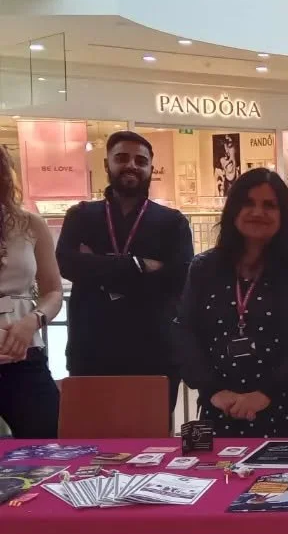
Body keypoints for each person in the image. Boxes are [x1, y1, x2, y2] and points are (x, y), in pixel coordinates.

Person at [175, 169, 288, 438]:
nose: (258, 212)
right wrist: (213, 391)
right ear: (233, 210)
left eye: (269, 205)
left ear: (283, 214)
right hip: (221, 408)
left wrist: (265, 393)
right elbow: (185, 331)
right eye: (248, 203)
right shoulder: (204, 268)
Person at [56, 131, 194, 410]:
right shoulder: (80, 216)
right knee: (92, 433)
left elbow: (178, 278)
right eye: (121, 158)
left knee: (152, 435)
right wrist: (140, 265)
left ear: (151, 169)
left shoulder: (172, 223)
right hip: (91, 349)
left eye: (140, 161)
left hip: (154, 351)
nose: (131, 165)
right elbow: (68, 264)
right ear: (106, 164)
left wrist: (97, 266)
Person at [0, 146, 64, 437]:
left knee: (48, 443)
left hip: (24, 352)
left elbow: (53, 291)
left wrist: (33, 320)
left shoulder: (29, 224)